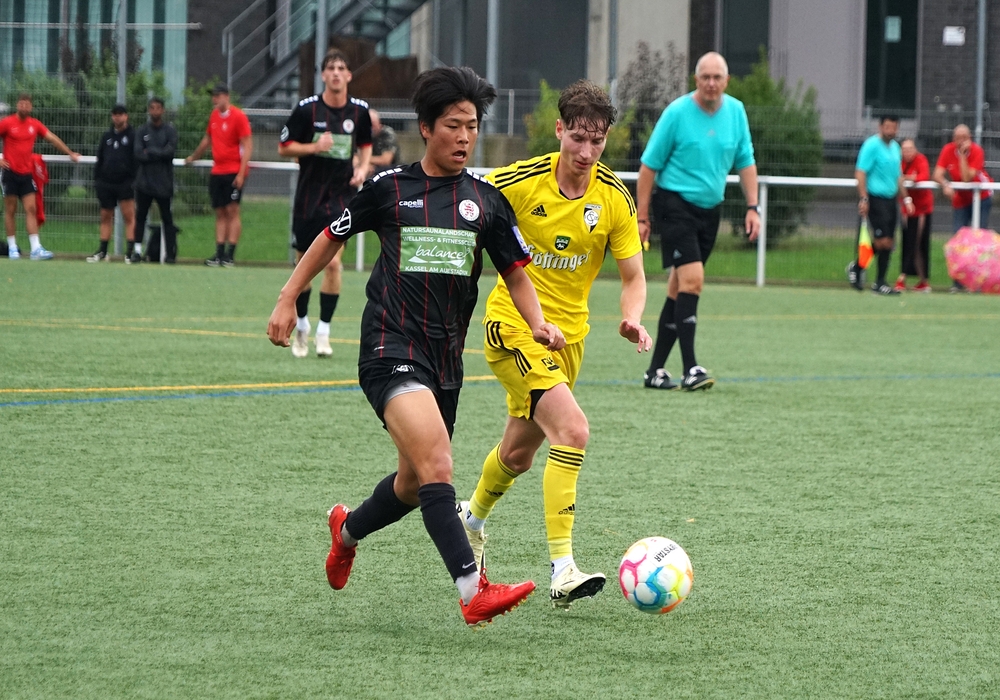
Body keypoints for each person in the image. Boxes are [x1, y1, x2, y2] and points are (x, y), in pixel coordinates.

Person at [267, 66, 564, 627]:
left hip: (444, 361)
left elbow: (516, 272)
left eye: (472, 126)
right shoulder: (389, 190)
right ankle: (472, 590)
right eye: (453, 125)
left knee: (411, 483)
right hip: (388, 346)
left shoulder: (486, 202)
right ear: (426, 128)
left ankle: (346, 530)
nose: (464, 137)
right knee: (439, 464)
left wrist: (538, 323)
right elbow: (330, 237)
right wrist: (288, 297)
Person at [458, 80, 652, 609]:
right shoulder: (520, 181)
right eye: (578, 138)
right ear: (560, 130)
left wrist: (631, 317)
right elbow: (462, 197)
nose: (586, 152)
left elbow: (633, 276)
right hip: (512, 328)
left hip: (569, 341)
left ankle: (470, 518)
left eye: (597, 141)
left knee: (518, 455)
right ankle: (562, 568)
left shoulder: (613, 197)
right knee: (573, 429)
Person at [637, 52, 759, 391]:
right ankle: (691, 368)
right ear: (696, 80)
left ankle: (654, 372)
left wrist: (753, 207)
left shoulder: (736, 111)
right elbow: (648, 167)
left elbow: (746, 161)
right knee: (693, 281)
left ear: (727, 81)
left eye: (717, 77)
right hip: (674, 204)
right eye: (705, 77)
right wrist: (642, 217)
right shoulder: (677, 113)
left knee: (679, 287)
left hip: (710, 210)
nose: (711, 83)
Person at [278, 50, 372, 358]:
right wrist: (314, 147)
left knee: (332, 263)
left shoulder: (359, 111)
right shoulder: (307, 109)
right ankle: (302, 325)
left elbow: (365, 144)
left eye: (341, 68)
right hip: (309, 198)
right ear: (323, 75)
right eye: (330, 68)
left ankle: (324, 331)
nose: (336, 73)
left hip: (341, 198)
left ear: (349, 75)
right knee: (303, 265)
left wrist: (362, 168)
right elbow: (284, 147)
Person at [0, 93, 80, 260]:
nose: (24, 106)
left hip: (26, 174)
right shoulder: (7, 123)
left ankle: (36, 248)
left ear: (31, 107)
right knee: (11, 210)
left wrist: (70, 153)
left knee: (31, 209)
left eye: (27, 104)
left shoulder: (34, 124)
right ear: (17, 105)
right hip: (10, 173)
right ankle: (12, 248)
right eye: (21, 103)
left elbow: (52, 138)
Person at [185, 84, 253, 267]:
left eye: (217, 96)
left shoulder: (238, 116)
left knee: (232, 211)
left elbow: (247, 145)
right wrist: (194, 157)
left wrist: (241, 173)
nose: (214, 99)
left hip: (233, 172)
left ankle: (230, 254)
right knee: (220, 212)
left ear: (226, 96)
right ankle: (219, 253)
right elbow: (207, 139)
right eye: (213, 96)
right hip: (218, 171)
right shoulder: (214, 116)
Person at [848, 116, 914, 295]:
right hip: (876, 199)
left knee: (889, 242)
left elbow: (898, 176)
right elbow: (860, 173)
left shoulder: (895, 148)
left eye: (894, 128)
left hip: (891, 200)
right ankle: (863, 270)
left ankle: (876, 280)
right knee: (882, 241)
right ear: (880, 127)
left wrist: (907, 199)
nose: (890, 131)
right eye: (887, 127)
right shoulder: (871, 146)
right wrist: (864, 198)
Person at [933, 124, 992, 292]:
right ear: (953, 139)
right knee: (959, 239)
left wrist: (963, 156)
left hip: (980, 198)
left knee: (978, 240)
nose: (961, 142)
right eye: (958, 138)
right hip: (960, 199)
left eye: (964, 138)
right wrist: (945, 184)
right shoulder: (947, 150)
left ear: (970, 138)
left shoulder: (977, 151)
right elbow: (937, 174)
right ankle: (958, 283)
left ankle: (978, 283)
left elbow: (967, 178)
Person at [88, 104, 138, 263]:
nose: (117, 117)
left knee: (129, 216)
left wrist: (133, 180)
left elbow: (136, 160)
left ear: (126, 116)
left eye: (121, 114)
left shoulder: (133, 136)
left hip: (125, 183)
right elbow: (100, 158)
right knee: (105, 216)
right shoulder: (107, 136)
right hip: (106, 183)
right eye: (115, 114)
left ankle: (130, 252)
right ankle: (102, 251)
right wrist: (98, 180)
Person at [134, 97, 179, 263]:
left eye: (158, 108)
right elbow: (138, 154)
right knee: (140, 216)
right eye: (152, 108)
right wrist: (159, 152)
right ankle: (136, 251)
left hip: (163, 183)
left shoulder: (170, 131)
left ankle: (170, 254)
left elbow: (170, 152)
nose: (155, 111)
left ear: (163, 110)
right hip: (144, 183)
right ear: (149, 110)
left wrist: (151, 151)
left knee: (167, 218)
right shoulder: (142, 131)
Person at [896, 138, 933, 292]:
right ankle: (919, 280)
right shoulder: (899, 162)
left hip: (921, 208)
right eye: (904, 149)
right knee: (907, 240)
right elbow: (896, 178)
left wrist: (908, 177)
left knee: (916, 241)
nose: (907, 152)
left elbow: (923, 177)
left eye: (910, 149)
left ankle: (906, 278)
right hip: (907, 208)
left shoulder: (921, 160)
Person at [365, 108, 399, 178]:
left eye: (373, 124)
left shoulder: (387, 134)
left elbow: (386, 160)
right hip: (367, 168)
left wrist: (364, 160)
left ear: (379, 123)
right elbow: (353, 158)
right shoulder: (361, 134)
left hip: (388, 170)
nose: (371, 128)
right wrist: (365, 165)